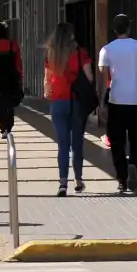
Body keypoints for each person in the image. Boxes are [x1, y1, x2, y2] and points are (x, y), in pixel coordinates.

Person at [98, 13, 137, 194]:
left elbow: (103, 78)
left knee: (117, 141)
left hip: (116, 99)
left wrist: (101, 102)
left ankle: (122, 179)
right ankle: (134, 163)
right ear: (129, 28)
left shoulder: (106, 50)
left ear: (114, 29)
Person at [44, 22, 94, 197]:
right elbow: (89, 77)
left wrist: (48, 92)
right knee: (77, 143)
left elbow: (47, 80)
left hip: (58, 102)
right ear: (71, 36)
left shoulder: (51, 54)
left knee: (62, 144)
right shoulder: (81, 53)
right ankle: (78, 180)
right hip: (76, 103)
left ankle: (63, 183)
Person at [0, 22, 22, 137]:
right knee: (9, 103)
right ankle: (9, 126)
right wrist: (20, 79)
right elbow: (18, 65)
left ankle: (3, 129)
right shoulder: (13, 45)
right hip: (11, 78)